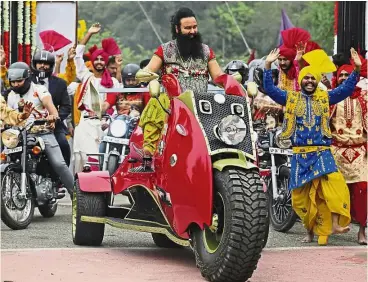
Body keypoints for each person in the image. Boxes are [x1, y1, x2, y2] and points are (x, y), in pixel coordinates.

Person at [263, 47, 361, 245]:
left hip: (322, 152)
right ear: (301, 81)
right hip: (300, 154)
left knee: (335, 186)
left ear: (317, 81)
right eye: (306, 78)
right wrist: (267, 65)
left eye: (313, 79)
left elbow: (345, 90)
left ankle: (334, 224)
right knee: (302, 198)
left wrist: (357, 70)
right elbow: (271, 90)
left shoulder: (326, 98)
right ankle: (309, 231)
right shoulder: (290, 98)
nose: (309, 81)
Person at [137, 7, 224, 168]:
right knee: (156, 105)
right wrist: (145, 75)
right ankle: (148, 158)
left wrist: (233, 82)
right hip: (171, 104)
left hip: (199, 105)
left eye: (194, 27)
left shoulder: (206, 52)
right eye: (188, 28)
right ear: (177, 29)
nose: (192, 31)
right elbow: (148, 70)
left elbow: (219, 77)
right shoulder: (164, 50)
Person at [6, 62, 74, 199]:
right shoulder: (11, 96)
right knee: (4, 160)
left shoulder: (39, 89)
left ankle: (77, 197)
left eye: (19, 81)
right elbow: (9, 117)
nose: (16, 85)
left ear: (27, 78)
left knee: (59, 164)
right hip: (19, 135)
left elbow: (51, 106)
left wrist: (53, 116)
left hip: (42, 133)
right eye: (13, 82)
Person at [73, 23, 121, 172]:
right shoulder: (86, 77)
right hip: (86, 122)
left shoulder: (112, 82)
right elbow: (78, 54)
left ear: (106, 62)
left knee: (103, 158)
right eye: (97, 59)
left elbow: (111, 101)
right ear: (92, 62)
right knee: (83, 158)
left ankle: (102, 189)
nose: (99, 61)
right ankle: (81, 189)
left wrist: (119, 67)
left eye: (102, 59)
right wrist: (89, 34)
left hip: (105, 124)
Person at [330, 61, 367, 245]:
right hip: (337, 151)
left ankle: (361, 232)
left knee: (362, 192)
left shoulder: (365, 97)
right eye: (341, 76)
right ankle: (334, 225)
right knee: (336, 191)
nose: (344, 78)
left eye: (347, 75)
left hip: (360, 153)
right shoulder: (331, 98)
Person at [31, 48, 72, 167]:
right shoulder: (28, 81)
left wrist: (55, 117)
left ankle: (61, 180)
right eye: (39, 63)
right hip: (30, 124)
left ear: (51, 65)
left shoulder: (60, 83)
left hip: (53, 125)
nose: (42, 66)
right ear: (34, 64)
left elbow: (66, 106)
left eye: (46, 63)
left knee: (63, 144)